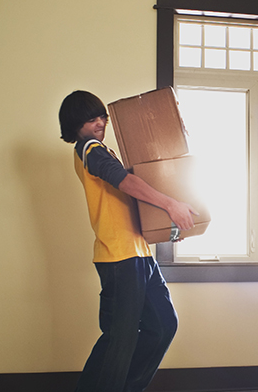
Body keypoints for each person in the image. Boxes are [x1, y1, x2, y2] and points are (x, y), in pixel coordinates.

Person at [59, 90, 197, 392]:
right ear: (74, 123)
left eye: (102, 116)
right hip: (118, 256)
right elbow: (125, 181)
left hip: (140, 254)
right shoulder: (89, 149)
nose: (100, 122)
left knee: (162, 326)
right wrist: (171, 205)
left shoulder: (103, 150)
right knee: (119, 341)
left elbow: (133, 202)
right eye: (91, 117)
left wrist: (166, 227)